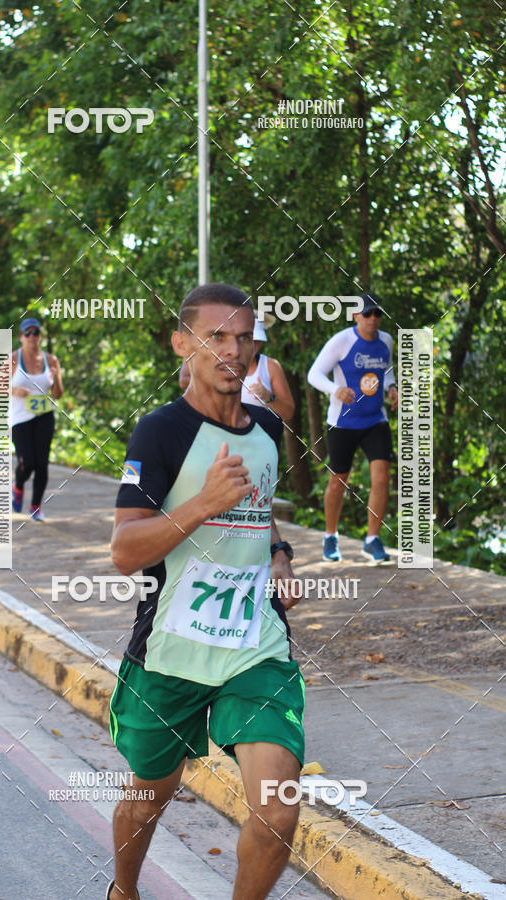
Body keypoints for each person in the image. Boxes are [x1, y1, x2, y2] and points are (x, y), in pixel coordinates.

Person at [109, 283, 304, 900]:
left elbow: (262, 507)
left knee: (278, 811)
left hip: (255, 644)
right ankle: (124, 892)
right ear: (182, 344)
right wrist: (202, 504)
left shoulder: (269, 429)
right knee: (146, 802)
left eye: (243, 337)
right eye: (215, 336)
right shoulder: (159, 433)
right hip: (173, 649)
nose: (232, 350)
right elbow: (124, 552)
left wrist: (278, 555)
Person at [307, 293, 398, 564]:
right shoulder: (342, 341)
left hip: (375, 420)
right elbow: (314, 374)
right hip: (343, 421)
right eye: (367, 314)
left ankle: (372, 539)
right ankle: (330, 535)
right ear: (355, 316)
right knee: (338, 482)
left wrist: (392, 388)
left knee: (382, 478)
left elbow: (387, 371)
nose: (373, 319)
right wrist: (336, 390)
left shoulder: (386, 341)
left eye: (377, 314)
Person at [10, 317, 63, 521]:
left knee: (42, 463)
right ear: (21, 337)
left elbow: (58, 394)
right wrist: (14, 390)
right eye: (27, 333)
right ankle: (19, 484)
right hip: (20, 418)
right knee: (28, 462)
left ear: (40, 336)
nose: (32, 337)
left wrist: (57, 378)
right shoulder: (13, 358)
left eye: (36, 333)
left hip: (44, 416)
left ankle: (35, 506)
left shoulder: (51, 360)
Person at [241, 318, 295, 420]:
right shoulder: (221, 365)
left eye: (258, 341)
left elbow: (288, 413)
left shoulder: (271, 366)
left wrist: (269, 397)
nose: (254, 345)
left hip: (262, 434)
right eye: (249, 339)